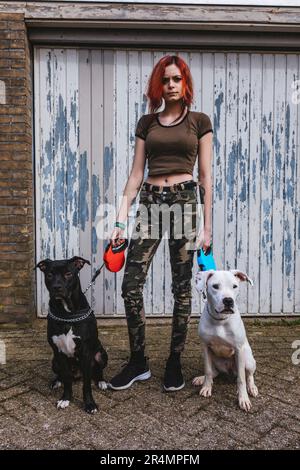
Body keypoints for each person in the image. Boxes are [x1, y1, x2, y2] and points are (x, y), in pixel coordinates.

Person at [109, 54, 213, 392]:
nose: (170, 85)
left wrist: (207, 227)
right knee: (130, 285)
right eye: (165, 80)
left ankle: (174, 361)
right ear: (158, 85)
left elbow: (206, 178)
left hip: (184, 202)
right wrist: (120, 221)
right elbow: (135, 174)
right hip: (150, 203)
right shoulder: (146, 123)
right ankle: (139, 361)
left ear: (185, 84)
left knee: (182, 289)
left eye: (176, 80)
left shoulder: (199, 120)